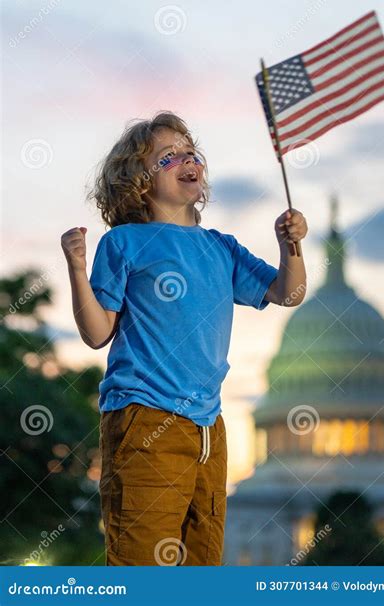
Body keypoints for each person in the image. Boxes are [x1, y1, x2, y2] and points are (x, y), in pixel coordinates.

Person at [60, 111, 307, 566]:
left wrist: (290, 245)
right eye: (168, 157)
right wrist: (77, 268)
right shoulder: (125, 242)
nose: (187, 160)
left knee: (201, 564)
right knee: (144, 563)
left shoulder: (222, 247)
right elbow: (97, 333)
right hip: (143, 417)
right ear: (138, 180)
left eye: (190, 153)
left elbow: (287, 293)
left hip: (209, 427)